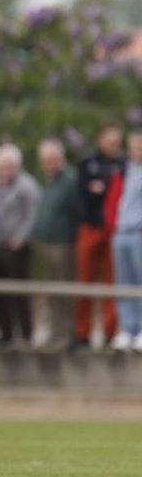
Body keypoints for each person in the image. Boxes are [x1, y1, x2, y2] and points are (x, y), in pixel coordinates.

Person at [0, 143, 41, 348]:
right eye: (1, 166)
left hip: (16, 247)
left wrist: (21, 237)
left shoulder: (27, 185)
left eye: (8, 166)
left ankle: (25, 334)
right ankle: (5, 332)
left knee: (18, 291)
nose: (4, 170)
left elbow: (32, 214)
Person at [74, 124, 124, 349]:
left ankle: (109, 332)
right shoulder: (87, 163)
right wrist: (99, 189)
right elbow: (85, 193)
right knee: (84, 279)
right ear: (100, 140)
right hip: (90, 227)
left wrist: (100, 187)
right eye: (110, 141)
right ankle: (82, 332)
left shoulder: (123, 164)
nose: (114, 145)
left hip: (113, 229)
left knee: (111, 282)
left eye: (117, 142)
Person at [32, 138, 80, 351]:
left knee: (63, 290)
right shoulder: (48, 181)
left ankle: (66, 334)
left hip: (64, 243)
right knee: (50, 292)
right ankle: (53, 332)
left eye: (52, 159)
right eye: (45, 160)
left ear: (60, 158)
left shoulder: (69, 180)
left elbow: (76, 210)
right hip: (47, 242)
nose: (49, 164)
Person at [103, 131, 142, 351]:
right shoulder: (124, 172)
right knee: (123, 283)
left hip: (138, 233)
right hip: (121, 233)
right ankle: (128, 328)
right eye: (134, 148)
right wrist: (113, 228)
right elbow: (113, 202)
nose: (137, 152)